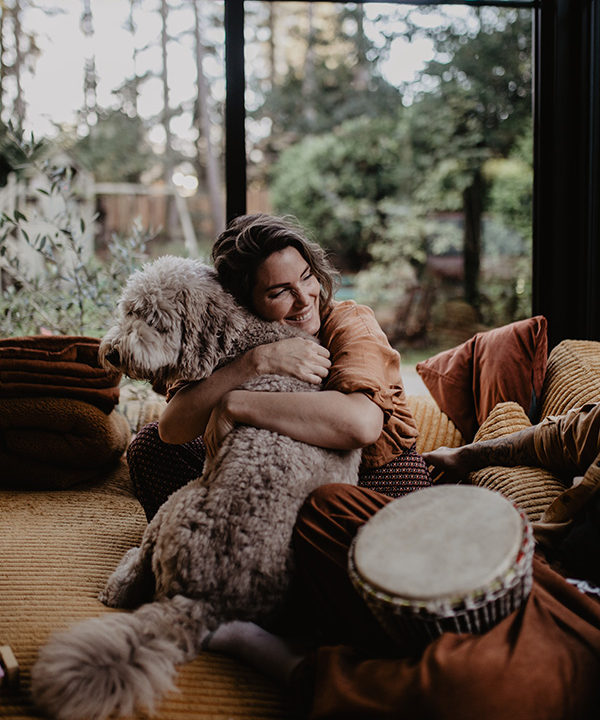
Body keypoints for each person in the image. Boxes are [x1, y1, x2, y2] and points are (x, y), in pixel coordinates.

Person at [204, 403, 600, 719]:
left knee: (477, 689)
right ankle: (413, 657)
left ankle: (303, 666)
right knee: (330, 509)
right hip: (535, 565)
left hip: (583, 621)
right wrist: (463, 457)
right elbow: (564, 436)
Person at [127, 212, 429, 521]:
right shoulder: (234, 333)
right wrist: (255, 363)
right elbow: (172, 429)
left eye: (306, 277)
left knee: (326, 504)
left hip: (370, 480)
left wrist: (236, 404)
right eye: (280, 291)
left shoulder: (349, 321)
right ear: (244, 302)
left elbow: (361, 425)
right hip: (276, 476)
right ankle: (206, 544)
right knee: (150, 448)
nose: (304, 299)